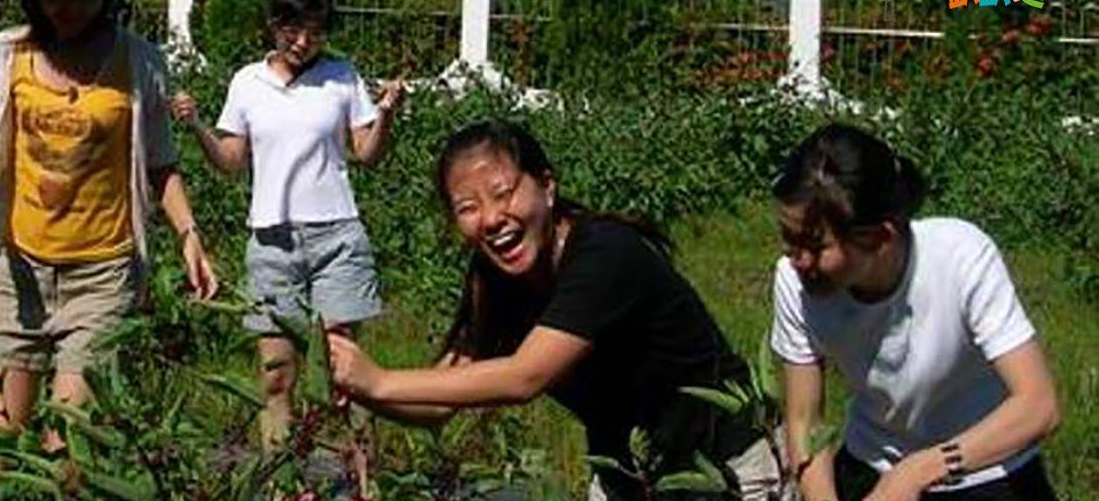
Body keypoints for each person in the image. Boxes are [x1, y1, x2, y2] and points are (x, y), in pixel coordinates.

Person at [327, 120, 782, 501]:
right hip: (628, 477)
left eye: (503, 193)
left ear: (546, 186)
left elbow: (526, 376)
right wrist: (353, 381)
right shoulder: (496, 278)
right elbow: (440, 404)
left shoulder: (605, 255)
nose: (489, 218)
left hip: (723, 468)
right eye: (467, 207)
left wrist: (380, 380)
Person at [0, 0, 218, 472]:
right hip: (19, 270)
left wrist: (189, 236)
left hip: (103, 273)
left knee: (70, 449)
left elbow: (160, 165)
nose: (68, 5)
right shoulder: (9, 53)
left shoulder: (139, 62)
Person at [171, 0, 400, 475]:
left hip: (336, 236)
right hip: (272, 241)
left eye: (315, 32)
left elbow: (367, 154)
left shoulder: (342, 77)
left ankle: (366, 483)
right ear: (274, 26)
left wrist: (385, 115)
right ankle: (280, 484)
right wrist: (196, 127)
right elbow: (232, 161)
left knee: (346, 375)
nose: (303, 41)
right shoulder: (247, 82)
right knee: (276, 374)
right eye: (293, 29)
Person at [770, 124, 1061, 501]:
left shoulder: (961, 257)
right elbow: (804, 421)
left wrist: (920, 471)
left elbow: (1038, 407)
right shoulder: (794, 282)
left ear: (879, 238)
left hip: (987, 467)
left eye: (815, 245)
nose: (798, 260)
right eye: (789, 239)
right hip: (871, 465)